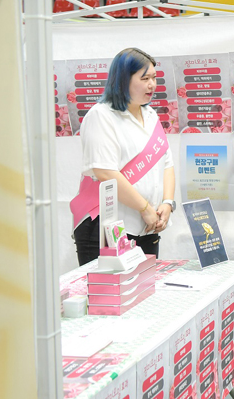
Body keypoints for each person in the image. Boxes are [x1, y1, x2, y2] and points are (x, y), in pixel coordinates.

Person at [70, 48, 175, 266]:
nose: (152, 85)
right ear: (123, 80)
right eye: (144, 79)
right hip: (106, 226)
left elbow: (166, 162)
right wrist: (145, 208)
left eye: (154, 78)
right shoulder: (101, 115)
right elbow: (105, 172)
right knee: (108, 289)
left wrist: (167, 203)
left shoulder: (150, 115)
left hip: (148, 226)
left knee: (146, 287)